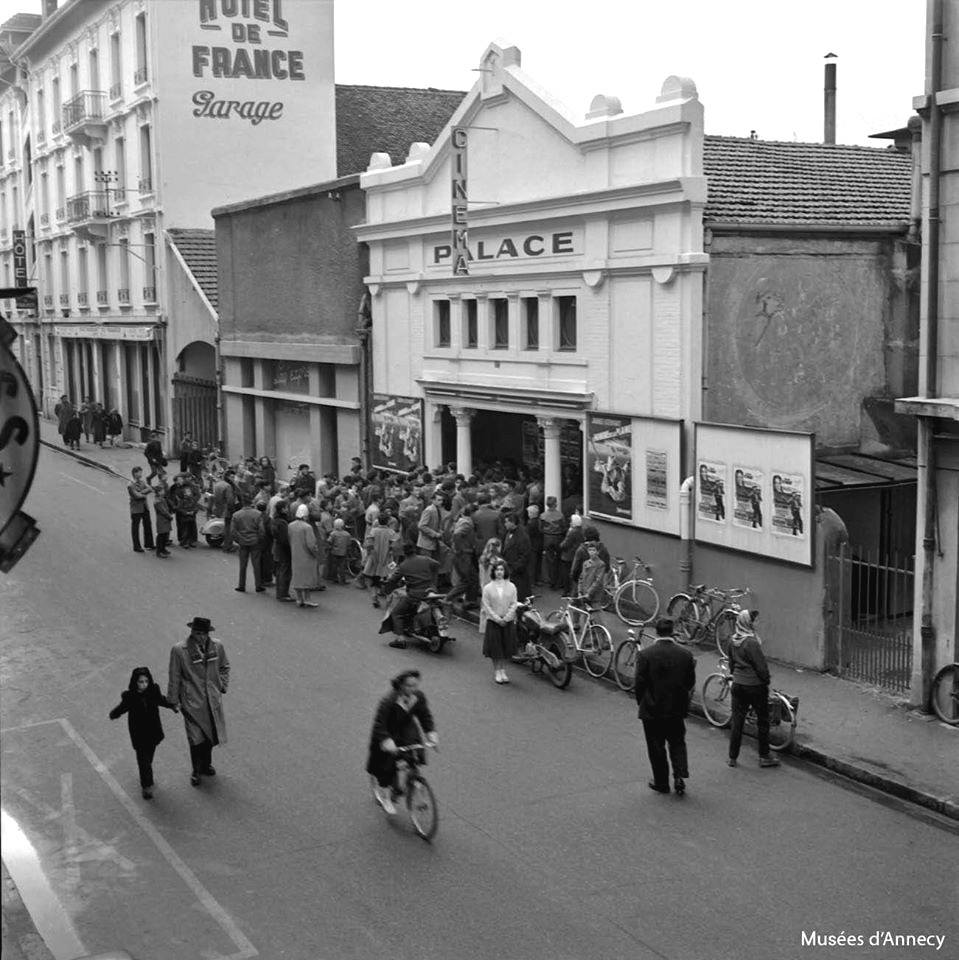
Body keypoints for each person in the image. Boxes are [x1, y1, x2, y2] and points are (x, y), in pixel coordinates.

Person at [634, 618, 696, 795]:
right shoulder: (685, 655)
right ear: (673, 632)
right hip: (676, 708)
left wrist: (643, 702)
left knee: (656, 747)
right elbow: (690, 682)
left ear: (656, 632)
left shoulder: (645, 655)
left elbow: (639, 683)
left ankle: (661, 782)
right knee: (677, 742)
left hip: (652, 709)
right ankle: (679, 776)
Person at [167, 617, 230, 787]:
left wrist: (222, 685)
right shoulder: (180, 650)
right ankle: (196, 770)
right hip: (192, 702)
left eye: (203, 634)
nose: (199, 637)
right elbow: (174, 676)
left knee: (209, 735)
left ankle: (206, 764)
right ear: (191, 632)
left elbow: (224, 667)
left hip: (212, 700)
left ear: (208, 633)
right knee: (195, 738)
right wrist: (173, 700)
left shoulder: (217, 647)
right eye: (196, 633)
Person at [365, 670, 438, 815]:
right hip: (388, 732)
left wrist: (431, 734)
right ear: (401, 685)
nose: (413, 689)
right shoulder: (389, 701)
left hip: (406, 729)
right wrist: (386, 741)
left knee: (414, 753)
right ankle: (386, 796)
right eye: (409, 686)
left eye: (415, 686)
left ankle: (411, 777)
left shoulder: (418, 697)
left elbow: (425, 716)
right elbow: (380, 724)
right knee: (387, 763)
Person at [109, 666, 178, 798]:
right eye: (141, 682)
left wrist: (172, 705)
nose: (144, 684)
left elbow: (162, 700)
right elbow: (122, 708)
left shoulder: (153, 691)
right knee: (143, 760)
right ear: (135, 682)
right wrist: (114, 714)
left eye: (146, 681)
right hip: (139, 733)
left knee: (149, 757)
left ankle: (146, 775)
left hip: (153, 732)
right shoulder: (130, 697)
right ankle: (147, 785)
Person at [727, 610, 780, 768]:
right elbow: (761, 667)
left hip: (738, 685)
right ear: (748, 623)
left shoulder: (732, 640)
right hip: (754, 686)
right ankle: (764, 755)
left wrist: (735, 675)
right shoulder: (751, 643)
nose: (757, 623)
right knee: (763, 720)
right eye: (755, 621)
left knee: (737, 721)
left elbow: (731, 663)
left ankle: (732, 757)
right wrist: (766, 681)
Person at [380, 543, 439, 649]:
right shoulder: (425, 559)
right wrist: (433, 580)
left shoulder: (403, 565)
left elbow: (393, 580)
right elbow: (437, 564)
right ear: (414, 550)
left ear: (404, 553)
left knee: (396, 613)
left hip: (415, 595)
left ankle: (400, 640)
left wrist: (386, 584)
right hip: (430, 591)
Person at [481, 560, 519, 684]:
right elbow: (487, 606)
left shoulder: (512, 586)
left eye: (502, 570)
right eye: (497, 570)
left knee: (504, 647)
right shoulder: (488, 588)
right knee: (495, 648)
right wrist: (497, 619)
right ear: (494, 572)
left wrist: (507, 618)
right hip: (494, 622)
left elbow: (514, 604)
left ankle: (503, 670)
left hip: (507, 621)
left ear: (505, 571)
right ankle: (497, 671)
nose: (499, 572)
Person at [288, 503, 319, 607]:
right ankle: (307, 598)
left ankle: (299, 598)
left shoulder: (290, 526)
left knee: (297, 576)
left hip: (295, 554)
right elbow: (311, 544)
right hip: (306, 555)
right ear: (306, 515)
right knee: (307, 577)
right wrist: (315, 553)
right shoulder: (307, 527)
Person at [231, 497, 265, 593]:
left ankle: (241, 585)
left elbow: (233, 531)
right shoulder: (257, 514)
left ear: (242, 503)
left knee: (243, 565)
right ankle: (258, 585)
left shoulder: (236, 515)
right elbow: (261, 530)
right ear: (251, 503)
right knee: (256, 564)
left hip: (243, 542)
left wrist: (238, 540)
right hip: (255, 541)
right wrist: (259, 539)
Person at [361, 515, 396, 606]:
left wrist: (368, 555)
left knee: (373, 579)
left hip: (374, 559)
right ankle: (388, 598)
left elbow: (368, 545)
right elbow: (393, 547)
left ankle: (374, 598)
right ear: (388, 522)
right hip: (387, 560)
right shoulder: (391, 532)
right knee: (389, 578)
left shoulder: (373, 531)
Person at [502, 513, 531, 603]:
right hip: (509, 569)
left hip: (517, 573)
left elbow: (525, 556)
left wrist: (514, 568)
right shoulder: (507, 533)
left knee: (518, 598)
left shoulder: (522, 537)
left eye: (506, 522)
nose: (505, 524)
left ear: (513, 522)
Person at [477, 537, 503, 635]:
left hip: (485, 587)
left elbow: (481, 576)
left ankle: (483, 629)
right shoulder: (499, 562)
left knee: (484, 609)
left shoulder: (482, 560)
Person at [540, 496, 566, 588]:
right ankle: (559, 581)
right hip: (558, 538)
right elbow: (563, 527)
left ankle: (552, 581)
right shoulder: (560, 515)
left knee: (549, 560)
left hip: (547, 538)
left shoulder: (543, 516)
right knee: (559, 559)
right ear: (555, 504)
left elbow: (540, 528)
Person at [128, 467, 155, 553]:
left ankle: (149, 544)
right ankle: (136, 546)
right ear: (135, 473)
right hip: (136, 508)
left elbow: (150, 489)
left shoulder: (142, 481)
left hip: (144, 507)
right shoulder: (130, 484)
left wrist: (141, 492)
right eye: (139, 473)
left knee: (148, 525)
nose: (141, 474)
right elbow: (136, 496)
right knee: (135, 528)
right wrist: (143, 493)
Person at [271, 501, 293, 601]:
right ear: (283, 509)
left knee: (280, 571)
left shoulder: (275, 520)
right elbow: (284, 539)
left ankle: (280, 593)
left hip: (277, 548)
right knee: (285, 571)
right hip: (284, 550)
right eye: (286, 507)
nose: (287, 509)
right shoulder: (283, 522)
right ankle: (283, 593)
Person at [576, 541, 608, 608]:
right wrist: (579, 591)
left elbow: (598, 581)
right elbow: (581, 578)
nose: (591, 552)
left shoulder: (601, 564)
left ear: (597, 552)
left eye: (594, 550)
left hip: (594, 595)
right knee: (583, 613)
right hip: (584, 594)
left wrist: (589, 593)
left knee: (596, 614)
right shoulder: (585, 563)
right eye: (590, 550)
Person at [558, 514, 584, 593]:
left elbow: (565, 544)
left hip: (568, 556)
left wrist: (560, 546)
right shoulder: (582, 531)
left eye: (571, 521)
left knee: (566, 574)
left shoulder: (572, 532)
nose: (570, 523)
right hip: (577, 556)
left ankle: (566, 591)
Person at [153, 482, 173, 558]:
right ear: (158, 492)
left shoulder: (161, 499)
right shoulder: (157, 501)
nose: (164, 492)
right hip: (162, 520)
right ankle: (159, 551)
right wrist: (169, 516)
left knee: (165, 535)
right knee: (161, 536)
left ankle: (163, 549)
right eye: (162, 491)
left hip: (165, 520)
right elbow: (163, 511)